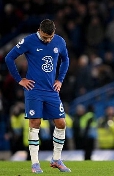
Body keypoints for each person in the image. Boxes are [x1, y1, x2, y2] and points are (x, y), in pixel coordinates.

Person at [5, 19, 71, 173]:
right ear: (39, 30)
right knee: (35, 123)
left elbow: (66, 59)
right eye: (45, 37)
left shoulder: (59, 41)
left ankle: (56, 159)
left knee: (61, 123)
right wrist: (19, 80)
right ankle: (35, 163)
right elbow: (9, 57)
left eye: (50, 37)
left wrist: (60, 80)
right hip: (34, 90)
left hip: (51, 91)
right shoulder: (29, 41)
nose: (48, 40)